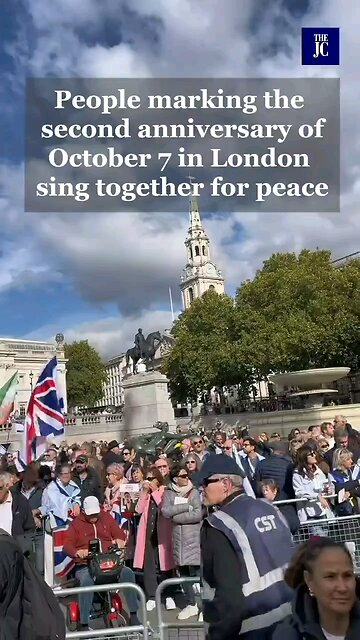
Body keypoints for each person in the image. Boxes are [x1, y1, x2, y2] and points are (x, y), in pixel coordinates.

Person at [195, 454, 294, 640]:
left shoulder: (218, 524)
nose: (202, 488)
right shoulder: (269, 508)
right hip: (292, 619)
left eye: (206, 482)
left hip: (254, 628)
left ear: (226, 484)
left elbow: (226, 595)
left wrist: (217, 634)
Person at [64, 496, 139, 631]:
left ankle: (134, 614)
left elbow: (119, 534)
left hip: (107, 560)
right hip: (85, 564)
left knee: (128, 573)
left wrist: (120, 540)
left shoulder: (106, 517)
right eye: (90, 514)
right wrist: (77, 552)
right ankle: (85, 623)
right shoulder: (75, 524)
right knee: (87, 580)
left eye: (95, 513)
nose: (94, 517)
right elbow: (67, 546)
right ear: (84, 511)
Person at [272, 537, 360, 640]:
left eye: (347, 575)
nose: (342, 587)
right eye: (330, 577)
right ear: (309, 580)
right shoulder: (288, 635)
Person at [162, 462, 202, 620]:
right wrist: (186, 507)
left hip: (194, 537)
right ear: (175, 478)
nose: (187, 478)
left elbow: (198, 514)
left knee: (198, 574)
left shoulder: (194, 492)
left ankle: (203, 607)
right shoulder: (168, 493)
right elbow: (166, 511)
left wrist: (177, 517)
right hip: (179, 539)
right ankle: (191, 604)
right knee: (184, 574)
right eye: (183, 476)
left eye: (187, 476)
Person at [133, 466, 175, 612]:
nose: (148, 481)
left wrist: (155, 492)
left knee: (166, 566)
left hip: (163, 534)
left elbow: (164, 507)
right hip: (148, 534)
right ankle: (151, 596)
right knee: (149, 566)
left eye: (151, 479)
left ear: (158, 480)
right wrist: (144, 492)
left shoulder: (164, 491)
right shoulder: (146, 493)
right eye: (147, 478)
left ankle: (169, 594)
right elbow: (137, 510)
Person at [0, 471, 35, 554]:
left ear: (7, 486)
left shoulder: (20, 502)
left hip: (14, 553)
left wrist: (22, 549)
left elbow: (30, 528)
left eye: (0, 488)